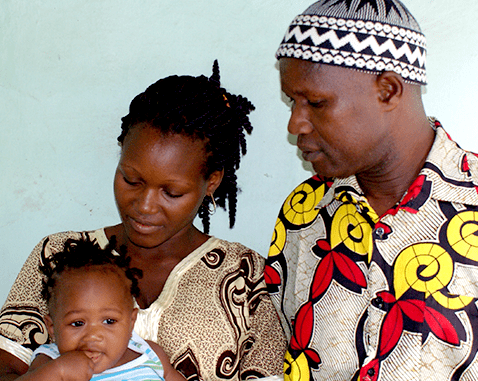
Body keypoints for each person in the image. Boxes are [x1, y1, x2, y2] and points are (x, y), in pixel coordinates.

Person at [0, 61, 286, 380]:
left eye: (171, 192)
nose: (144, 206)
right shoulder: (57, 255)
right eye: (131, 180)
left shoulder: (248, 276)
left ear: (213, 182)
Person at [264, 0, 478, 380]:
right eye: (292, 102)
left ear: (388, 90)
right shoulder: (303, 212)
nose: (296, 124)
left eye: (315, 103)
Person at [19, 237, 184, 381]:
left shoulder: (150, 354)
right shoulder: (50, 361)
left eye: (109, 321)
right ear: (52, 328)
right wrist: (58, 372)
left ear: (131, 322)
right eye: (77, 323)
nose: (93, 336)